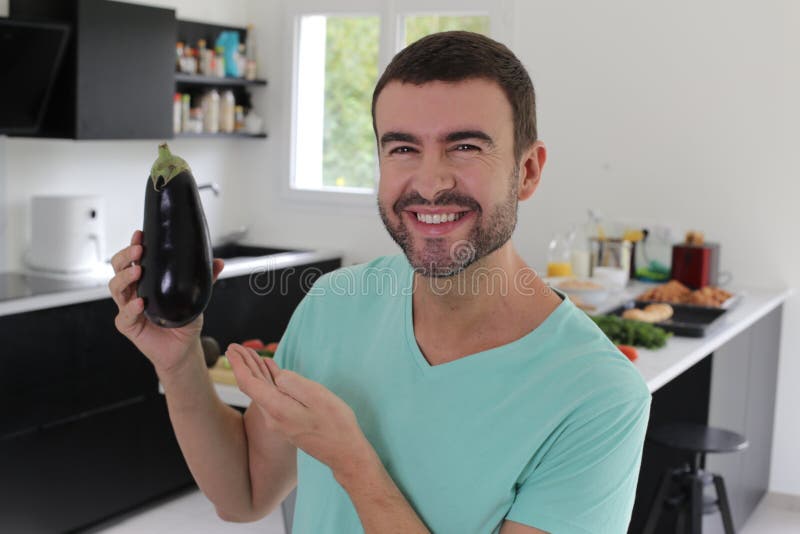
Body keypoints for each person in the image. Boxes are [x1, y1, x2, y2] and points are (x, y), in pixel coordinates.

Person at [109, 31, 650, 534]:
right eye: (403, 148)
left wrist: (353, 461)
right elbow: (245, 493)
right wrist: (178, 363)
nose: (431, 182)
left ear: (527, 171)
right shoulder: (333, 307)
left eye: (465, 147)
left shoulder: (597, 396)